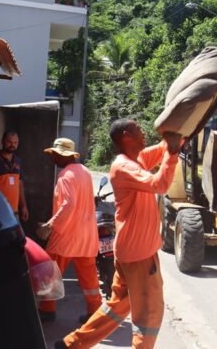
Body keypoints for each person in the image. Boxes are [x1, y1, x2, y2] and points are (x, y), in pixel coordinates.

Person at [56, 120, 182, 349]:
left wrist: (181, 132)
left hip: (130, 252)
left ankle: (71, 344)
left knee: (115, 307)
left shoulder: (137, 160)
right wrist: (172, 153)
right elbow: (160, 184)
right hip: (139, 255)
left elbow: (165, 146)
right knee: (149, 313)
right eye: (138, 130)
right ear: (126, 136)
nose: (144, 133)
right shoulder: (124, 167)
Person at [35, 138, 101, 323]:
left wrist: (50, 225)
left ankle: (47, 311)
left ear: (64, 156)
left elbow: (69, 204)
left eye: (55, 155)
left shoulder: (65, 175)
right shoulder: (85, 172)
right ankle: (95, 312)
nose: (53, 158)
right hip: (86, 235)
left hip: (65, 236)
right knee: (89, 278)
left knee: (50, 272)